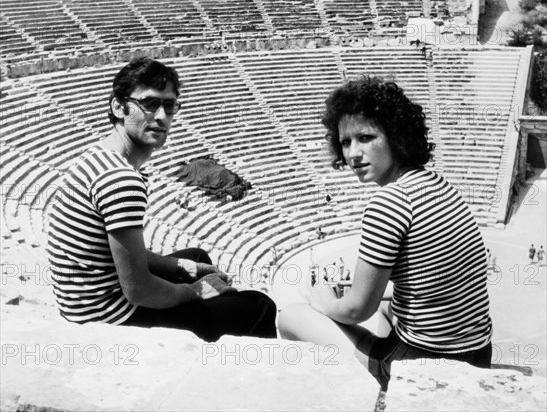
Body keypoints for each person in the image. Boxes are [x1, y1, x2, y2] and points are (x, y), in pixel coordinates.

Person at [278, 76, 492, 390]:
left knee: (291, 315)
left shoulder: (389, 201)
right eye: (346, 142)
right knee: (382, 307)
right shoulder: (438, 185)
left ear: (396, 136)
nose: (352, 153)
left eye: (365, 137)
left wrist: (323, 301)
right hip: (476, 353)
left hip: (423, 367)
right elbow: (436, 283)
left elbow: (355, 309)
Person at [47, 57, 276, 342]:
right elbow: (138, 290)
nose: (161, 117)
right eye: (149, 103)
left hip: (82, 303)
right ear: (118, 107)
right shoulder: (121, 180)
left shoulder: (98, 157)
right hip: (108, 317)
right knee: (260, 306)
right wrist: (196, 291)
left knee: (194, 258)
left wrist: (186, 270)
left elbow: (122, 257)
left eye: (169, 106)